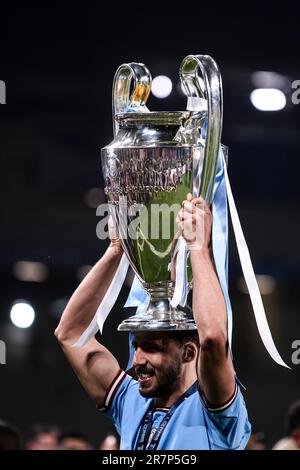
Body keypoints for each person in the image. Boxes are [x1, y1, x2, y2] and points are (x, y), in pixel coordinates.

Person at [55, 194, 251, 450]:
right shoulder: (131, 401)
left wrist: (198, 248)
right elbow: (69, 334)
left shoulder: (217, 413)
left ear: (189, 352)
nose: (136, 361)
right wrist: (117, 249)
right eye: (136, 346)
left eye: (151, 348)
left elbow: (213, 337)